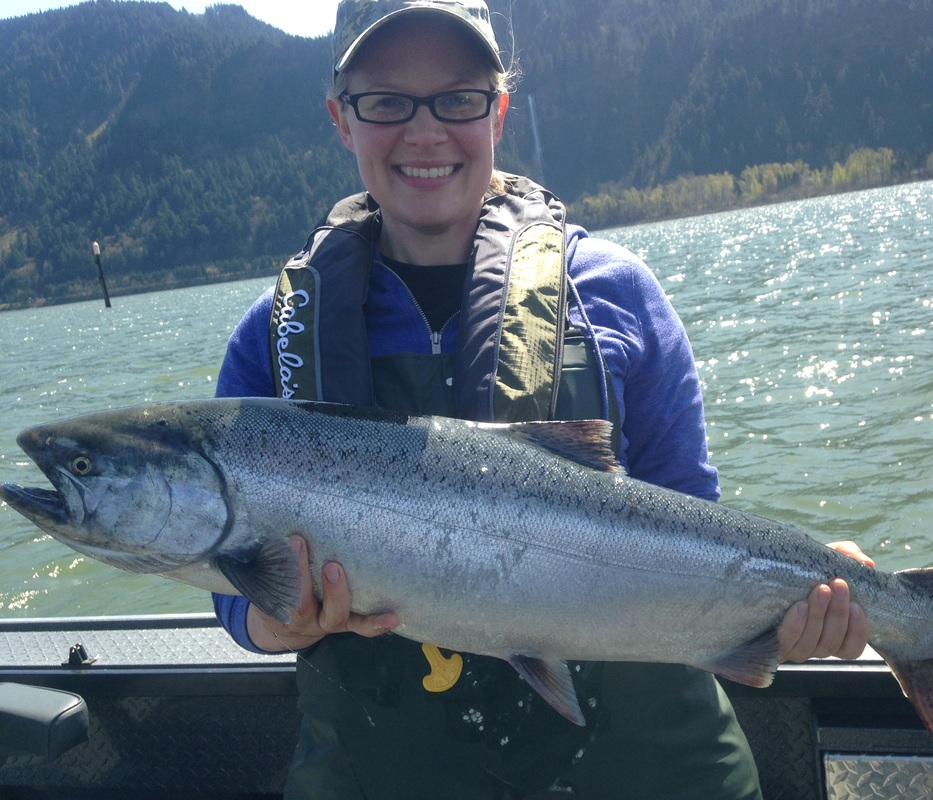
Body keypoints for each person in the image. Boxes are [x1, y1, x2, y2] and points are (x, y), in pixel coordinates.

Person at [212, 1, 873, 797]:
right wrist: (278, 620)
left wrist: (802, 606)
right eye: (387, 101)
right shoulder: (272, 335)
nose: (424, 133)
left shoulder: (615, 290)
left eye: (456, 98)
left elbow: (694, 514)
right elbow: (229, 596)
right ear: (341, 119)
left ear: (498, 109)